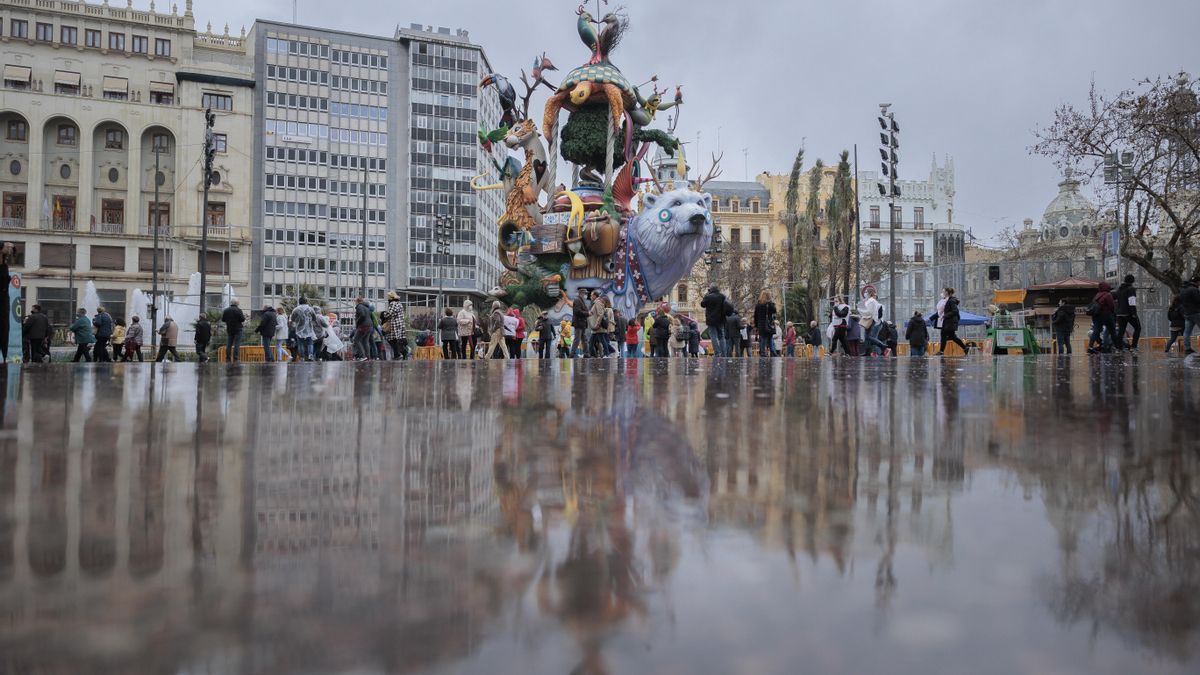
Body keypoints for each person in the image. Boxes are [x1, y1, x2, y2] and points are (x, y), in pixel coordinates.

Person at [1086, 281, 1118, 354]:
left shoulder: (1097, 295)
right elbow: (1111, 306)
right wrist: (1112, 313)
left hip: (1096, 316)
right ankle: (1117, 347)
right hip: (1106, 315)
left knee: (1096, 331)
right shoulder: (1108, 294)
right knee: (1112, 331)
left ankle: (1090, 347)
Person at [701, 285, 733, 357]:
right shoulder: (722, 296)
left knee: (713, 336)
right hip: (721, 319)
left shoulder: (708, 296)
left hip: (711, 320)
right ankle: (724, 353)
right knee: (722, 336)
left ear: (711, 290)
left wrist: (706, 295)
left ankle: (717, 353)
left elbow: (702, 304)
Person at [938, 287, 969, 356]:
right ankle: (965, 347)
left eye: (943, 291)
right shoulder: (948, 300)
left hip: (950, 322)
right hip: (949, 322)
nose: (942, 293)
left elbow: (955, 311)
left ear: (947, 293)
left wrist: (945, 316)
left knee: (943, 335)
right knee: (953, 337)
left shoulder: (951, 301)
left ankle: (941, 351)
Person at [1113, 274, 1140, 351]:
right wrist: (1134, 313)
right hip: (1128, 313)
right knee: (1137, 328)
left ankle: (1118, 348)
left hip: (1119, 314)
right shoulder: (1131, 289)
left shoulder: (1119, 289)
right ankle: (1134, 346)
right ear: (1132, 281)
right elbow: (1131, 302)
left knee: (1121, 331)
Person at [290, 296, 319, 361]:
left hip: (299, 329)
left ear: (299, 302)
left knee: (300, 344)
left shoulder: (296, 309)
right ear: (306, 301)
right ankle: (310, 356)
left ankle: (302, 357)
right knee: (310, 343)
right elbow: (314, 318)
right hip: (309, 329)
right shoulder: (310, 309)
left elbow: (292, 319)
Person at [859, 289, 887, 356]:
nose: (865, 294)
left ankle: (882, 346)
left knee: (868, 336)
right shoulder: (871, 301)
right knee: (867, 336)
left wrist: (860, 311)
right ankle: (868, 352)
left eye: (866, 292)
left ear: (869, 293)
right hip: (871, 319)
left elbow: (869, 312)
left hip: (870, 319)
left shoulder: (871, 301)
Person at [752, 291, 777, 357]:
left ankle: (763, 353)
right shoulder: (770, 304)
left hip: (761, 325)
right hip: (769, 324)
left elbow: (755, 316)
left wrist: (756, 325)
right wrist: (771, 302)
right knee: (770, 339)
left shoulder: (758, 305)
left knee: (763, 339)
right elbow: (774, 311)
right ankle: (773, 352)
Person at [1181, 280, 1200, 355]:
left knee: (1187, 332)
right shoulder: (1194, 289)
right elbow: (1198, 300)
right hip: (1196, 313)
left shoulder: (1182, 290)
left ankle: (1187, 348)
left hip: (1187, 314)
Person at [352, 296, 373, 361]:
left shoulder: (359, 306)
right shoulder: (366, 307)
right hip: (369, 325)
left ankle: (362, 356)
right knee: (365, 341)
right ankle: (367, 357)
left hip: (363, 326)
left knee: (356, 340)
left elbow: (362, 315)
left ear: (357, 301)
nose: (355, 303)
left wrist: (357, 322)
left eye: (355, 301)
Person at [571, 289, 590, 358]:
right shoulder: (577, 300)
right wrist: (587, 313)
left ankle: (586, 353)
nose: (586, 295)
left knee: (584, 339)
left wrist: (588, 312)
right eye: (585, 293)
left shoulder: (581, 301)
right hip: (579, 323)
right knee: (577, 339)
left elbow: (582, 311)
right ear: (581, 293)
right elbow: (577, 311)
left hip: (582, 323)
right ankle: (572, 354)